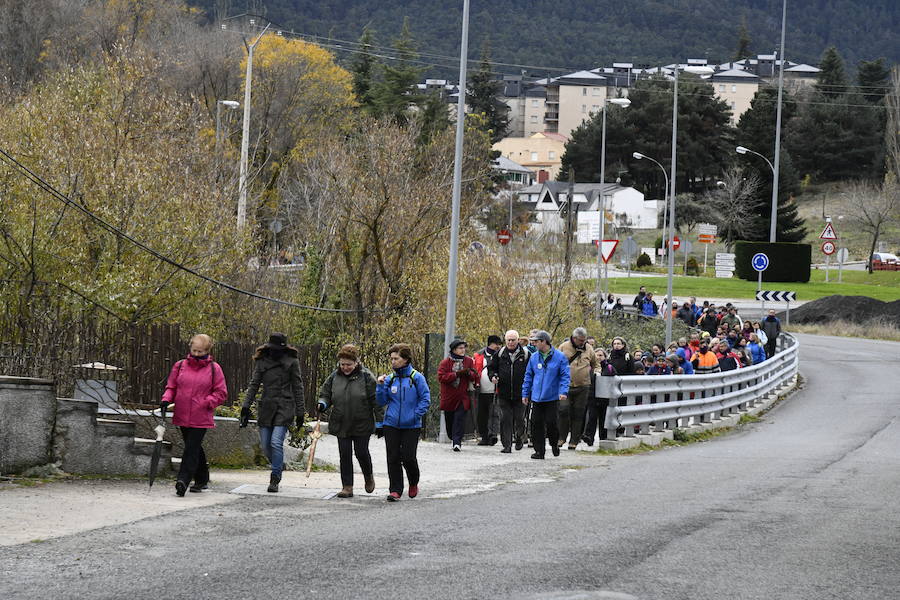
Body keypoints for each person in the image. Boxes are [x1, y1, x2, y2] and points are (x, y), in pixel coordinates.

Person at [161, 334, 227, 497]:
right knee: (194, 447)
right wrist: (165, 400)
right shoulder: (180, 365)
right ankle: (202, 478)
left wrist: (206, 402)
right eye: (194, 350)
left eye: (200, 351)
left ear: (207, 350)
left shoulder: (214, 369)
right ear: (190, 348)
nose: (197, 354)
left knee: (191, 447)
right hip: (182, 413)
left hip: (201, 416)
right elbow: (172, 387)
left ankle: (183, 480)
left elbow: (221, 392)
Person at [241, 332, 304, 494]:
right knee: (266, 446)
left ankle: (275, 478)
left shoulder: (292, 362)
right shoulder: (262, 362)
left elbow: (298, 387)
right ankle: (278, 463)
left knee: (276, 442)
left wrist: (300, 412)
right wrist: (245, 407)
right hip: (267, 407)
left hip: (284, 407)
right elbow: (254, 384)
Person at [316, 344, 380, 499]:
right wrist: (323, 403)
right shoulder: (334, 377)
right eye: (342, 364)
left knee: (361, 453)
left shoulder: (366, 377)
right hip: (341, 421)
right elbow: (325, 394)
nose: (345, 367)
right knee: (344, 454)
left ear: (356, 362)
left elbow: (376, 400)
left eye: (348, 364)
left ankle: (368, 476)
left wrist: (380, 422)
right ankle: (347, 487)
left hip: (361, 422)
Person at [376, 343, 431, 502]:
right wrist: (380, 386)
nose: (393, 361)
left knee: (408, 457)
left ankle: (413, 482)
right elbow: (382, 401)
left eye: (396, 358)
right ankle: (395, 490)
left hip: (411, 425)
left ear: (406, 359)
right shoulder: (390, 379)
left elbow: (425, 399)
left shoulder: (416, 378)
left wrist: (415, 415)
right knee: (392, 457)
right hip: (391, 424)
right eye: (391, 358)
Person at [521, 330, 570, 459]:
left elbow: (565, 376)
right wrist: (525, 393)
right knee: (536, 423)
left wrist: (563, 391)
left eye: (537, 341)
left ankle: (554, 444)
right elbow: (528, 376)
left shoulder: (560, 357)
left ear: (544, 342)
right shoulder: (534, 357)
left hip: (552, 396)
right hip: (536, 397)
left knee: (551, 423)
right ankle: (539, 451)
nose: (534, 344)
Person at [488, 330, 530, 453]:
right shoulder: (499, 354)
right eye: (508, 340)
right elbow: (491, 368)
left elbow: (531, 372)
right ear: (505, 341)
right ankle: (506, 445)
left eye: (513, 340)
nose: (511, 342)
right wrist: (493, 376)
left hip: (521, 393)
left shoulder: (526, 354)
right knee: (505, 418)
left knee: (520, 419)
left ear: (518, 340)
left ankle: (519, 437)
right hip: (504, 393)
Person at [557, 327, 598, 450]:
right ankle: (561, 437)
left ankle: (574, 440)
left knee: (578, 413)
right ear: (574, 338)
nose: (582, 342)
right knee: (563, 410)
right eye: (580, 340)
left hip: (583, 386)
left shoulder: (589, 349)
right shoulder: (563, 347)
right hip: (565, 386)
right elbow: (555, 363)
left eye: (584, 340)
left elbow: (595, 363)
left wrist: (597, 372)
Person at [437, 339, 477, 452]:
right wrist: (457, 374)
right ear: (454, 350)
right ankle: (452, 436)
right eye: (460, 348)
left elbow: (475, 375)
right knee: (450, 421)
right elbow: (441, 377)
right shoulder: (445, 363)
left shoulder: (469, 361)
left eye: (464, 348)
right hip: (449, 397)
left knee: (459, 419)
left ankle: (457, 442)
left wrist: (470, 373)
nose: (463, 350)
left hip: (463, 396)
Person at [582, 347, 616, 445]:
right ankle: (589, 437)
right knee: (592, 417)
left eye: (601, 355)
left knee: (603, 418)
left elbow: (614, 380)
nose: (598, 357)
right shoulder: (589, 368)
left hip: (605, 397)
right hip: (592, 396)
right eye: (596, 355)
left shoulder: (609, 368)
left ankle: (603, 437)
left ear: (605, 357)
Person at [474, 335, 502, 446]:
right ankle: (484, 436)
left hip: (495, 390)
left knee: (495, 414)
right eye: (497, 344)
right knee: (482, 415)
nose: (498, 346)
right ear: (491, 343)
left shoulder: (500, 355)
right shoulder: (478, 355)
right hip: (481, 390)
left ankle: (493, 435)